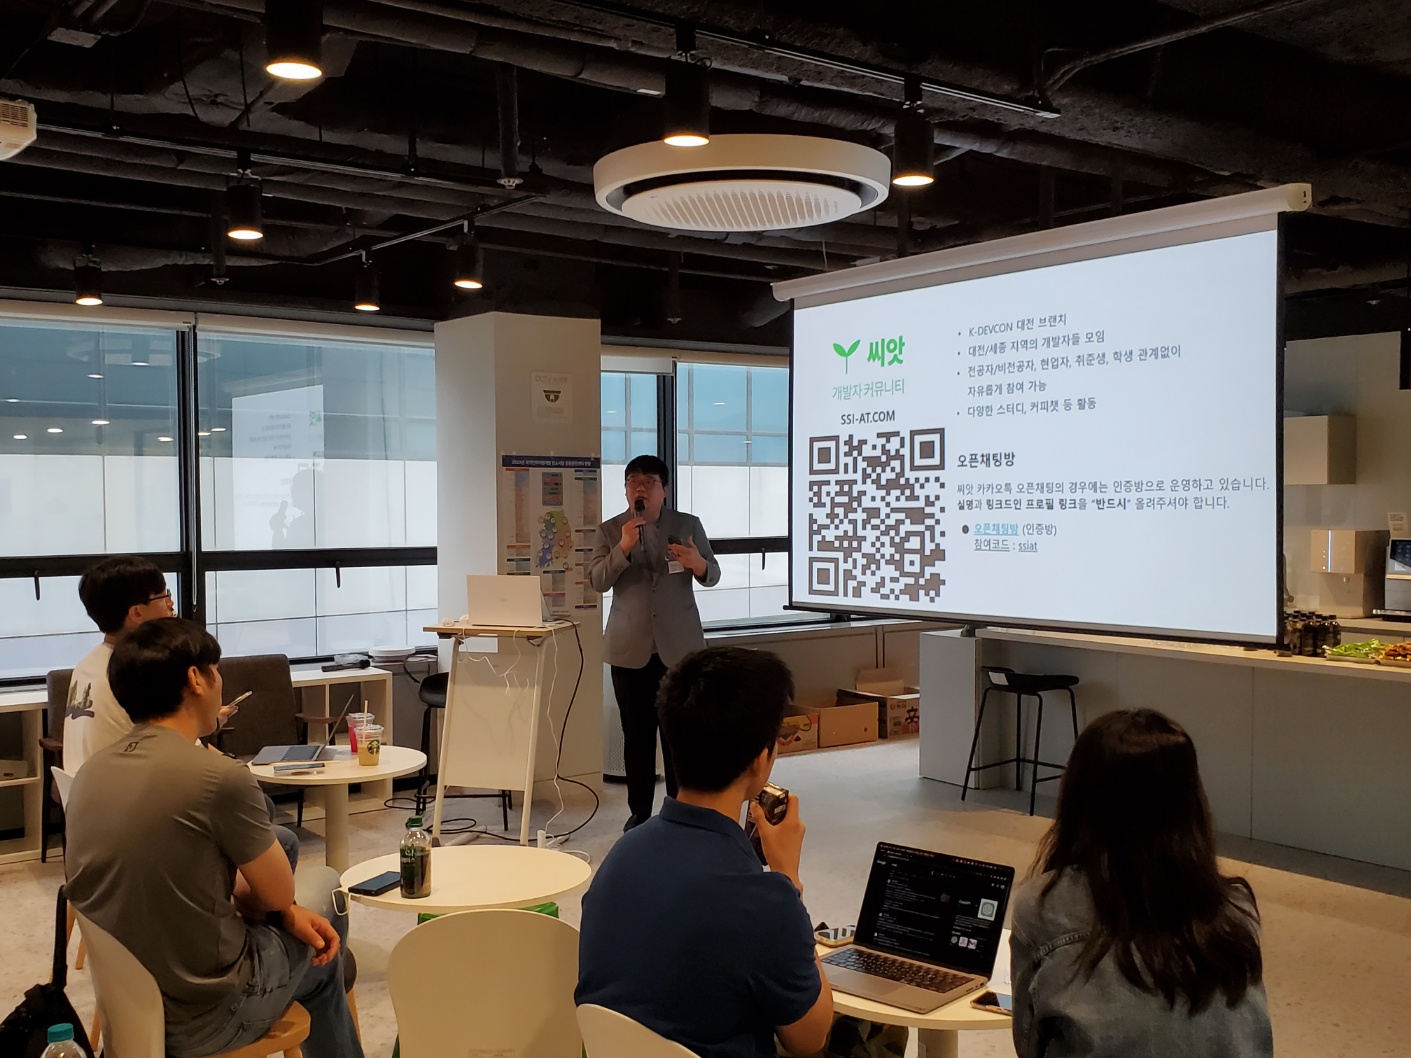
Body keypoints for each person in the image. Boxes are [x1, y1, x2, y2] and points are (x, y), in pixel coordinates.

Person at [63, 618, 362, 1058]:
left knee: (305, 939)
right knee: (327, 895)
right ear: (196, 679)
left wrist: (279, 910)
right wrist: (286, 911)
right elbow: (279, 895)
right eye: (217, 671)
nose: (221, 682)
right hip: (208, 1015)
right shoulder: (218, 777)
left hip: (127, 1011)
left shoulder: (92, 772)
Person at [576, 646, 833, 1058]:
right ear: (761, 759)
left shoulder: (621, 857)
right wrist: (788, 879)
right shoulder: (764, 900)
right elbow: (810, 1038)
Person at [1010, 709, 1273, 1058]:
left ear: (1078, 795)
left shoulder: (1045, 908)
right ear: (1191, 800)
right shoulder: (1235, 909)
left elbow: (1030, 1043)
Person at [588, 454, 720, 830]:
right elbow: (597, 580)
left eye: (649, 482)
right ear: (626, 491)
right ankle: (640, 815)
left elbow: (713, 574)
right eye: (633, 482)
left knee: (681, 735)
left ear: (665, 490)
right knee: (637, 736)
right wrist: (623, 548)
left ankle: (682, 813)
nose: (640, 488)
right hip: (630, 649)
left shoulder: (688, 524)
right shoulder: (611, 530)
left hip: (680, 650)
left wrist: (697, 563)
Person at [62, 555, 175, 774]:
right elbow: (184, 752)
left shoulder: (86, 666)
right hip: (128, 789)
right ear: (137, 613)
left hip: (84, 790)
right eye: (164, 596)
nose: (171, 604)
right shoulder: (138, 674)